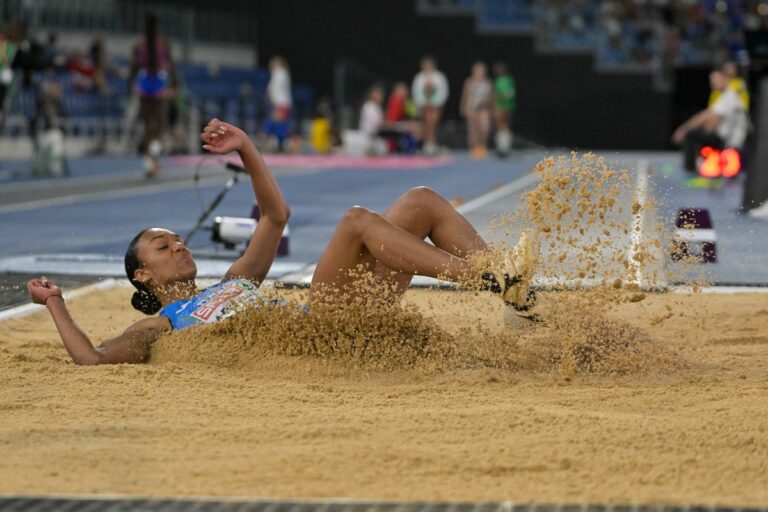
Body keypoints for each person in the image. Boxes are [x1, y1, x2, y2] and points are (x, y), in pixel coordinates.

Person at [26, 118, 540, 366]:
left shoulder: (233, 281)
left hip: (342, 319)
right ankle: (490, 277)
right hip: (319, 333)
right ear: (143, 275)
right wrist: (55, 303)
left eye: (178, 240)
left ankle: (514, 296)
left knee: (420, 200)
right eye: (163, 248)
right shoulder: (162, 324)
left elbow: (276, 215)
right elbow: (91, 360)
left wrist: (246, 147)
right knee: (357, 220)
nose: (180, 247)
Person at [128, 14, 177, 178]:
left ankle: (150, 161)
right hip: (157, 85)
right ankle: (154, 157)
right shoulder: (162, 45)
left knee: (148, 127)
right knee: (160, 126)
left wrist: (131, 87)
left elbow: (134, 69)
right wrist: (175, 86)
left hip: (144, 85)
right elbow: (172, 67)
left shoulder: (139, 46)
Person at [672, 69, 748, 173]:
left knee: (691, 136)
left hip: (730, 141)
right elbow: (706, 115)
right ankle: (704, 167)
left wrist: (685, 130)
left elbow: (712, 120)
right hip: (726, 138)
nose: (713, 83)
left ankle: (690, 172)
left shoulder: (730, 97)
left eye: (716, 79)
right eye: (711, 80)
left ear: (725, 79)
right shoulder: (724, 97)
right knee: (696, 134)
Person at [411, 56, 449, 155]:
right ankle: (427, 145)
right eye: (425, 65)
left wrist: (438, 104)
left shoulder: (439, 77)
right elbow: (416, 92)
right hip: (424, 106)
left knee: (433, 124)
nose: (427, 67)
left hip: (436, 105)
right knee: (425, 125)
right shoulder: (419, 78)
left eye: (429, 65)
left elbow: (444, 91)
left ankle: (432, 144)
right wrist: (421, 104)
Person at [460, 61, 493, 160]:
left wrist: (489, 105)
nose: (479, 73)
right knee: (473, 128)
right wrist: (463, 107)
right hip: (471, 107)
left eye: (481, 71)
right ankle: (474, 148)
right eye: (477, 71)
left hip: (483, 108)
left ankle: (482, 146)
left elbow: (492, 97)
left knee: (484, 127)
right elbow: (465, 95)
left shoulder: (488, 82)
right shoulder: (469, 81)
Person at [264, 56, 292, 152]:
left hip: (281, 103)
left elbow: (275, 88)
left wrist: (271, 98)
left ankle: (282, 143)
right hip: (280, 102)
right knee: (279, 124)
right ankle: (280, 144)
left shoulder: (280, 73)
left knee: (279, 124)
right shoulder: (278, 73)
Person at [492, 62, 516, 157]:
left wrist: (497, 106)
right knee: (504, 126)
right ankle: (504, 147)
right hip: (506, 106)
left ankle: (503, 148)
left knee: (502, 126)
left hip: (503, 106)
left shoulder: (503, 81)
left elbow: (503, 94)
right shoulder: (508, 80)